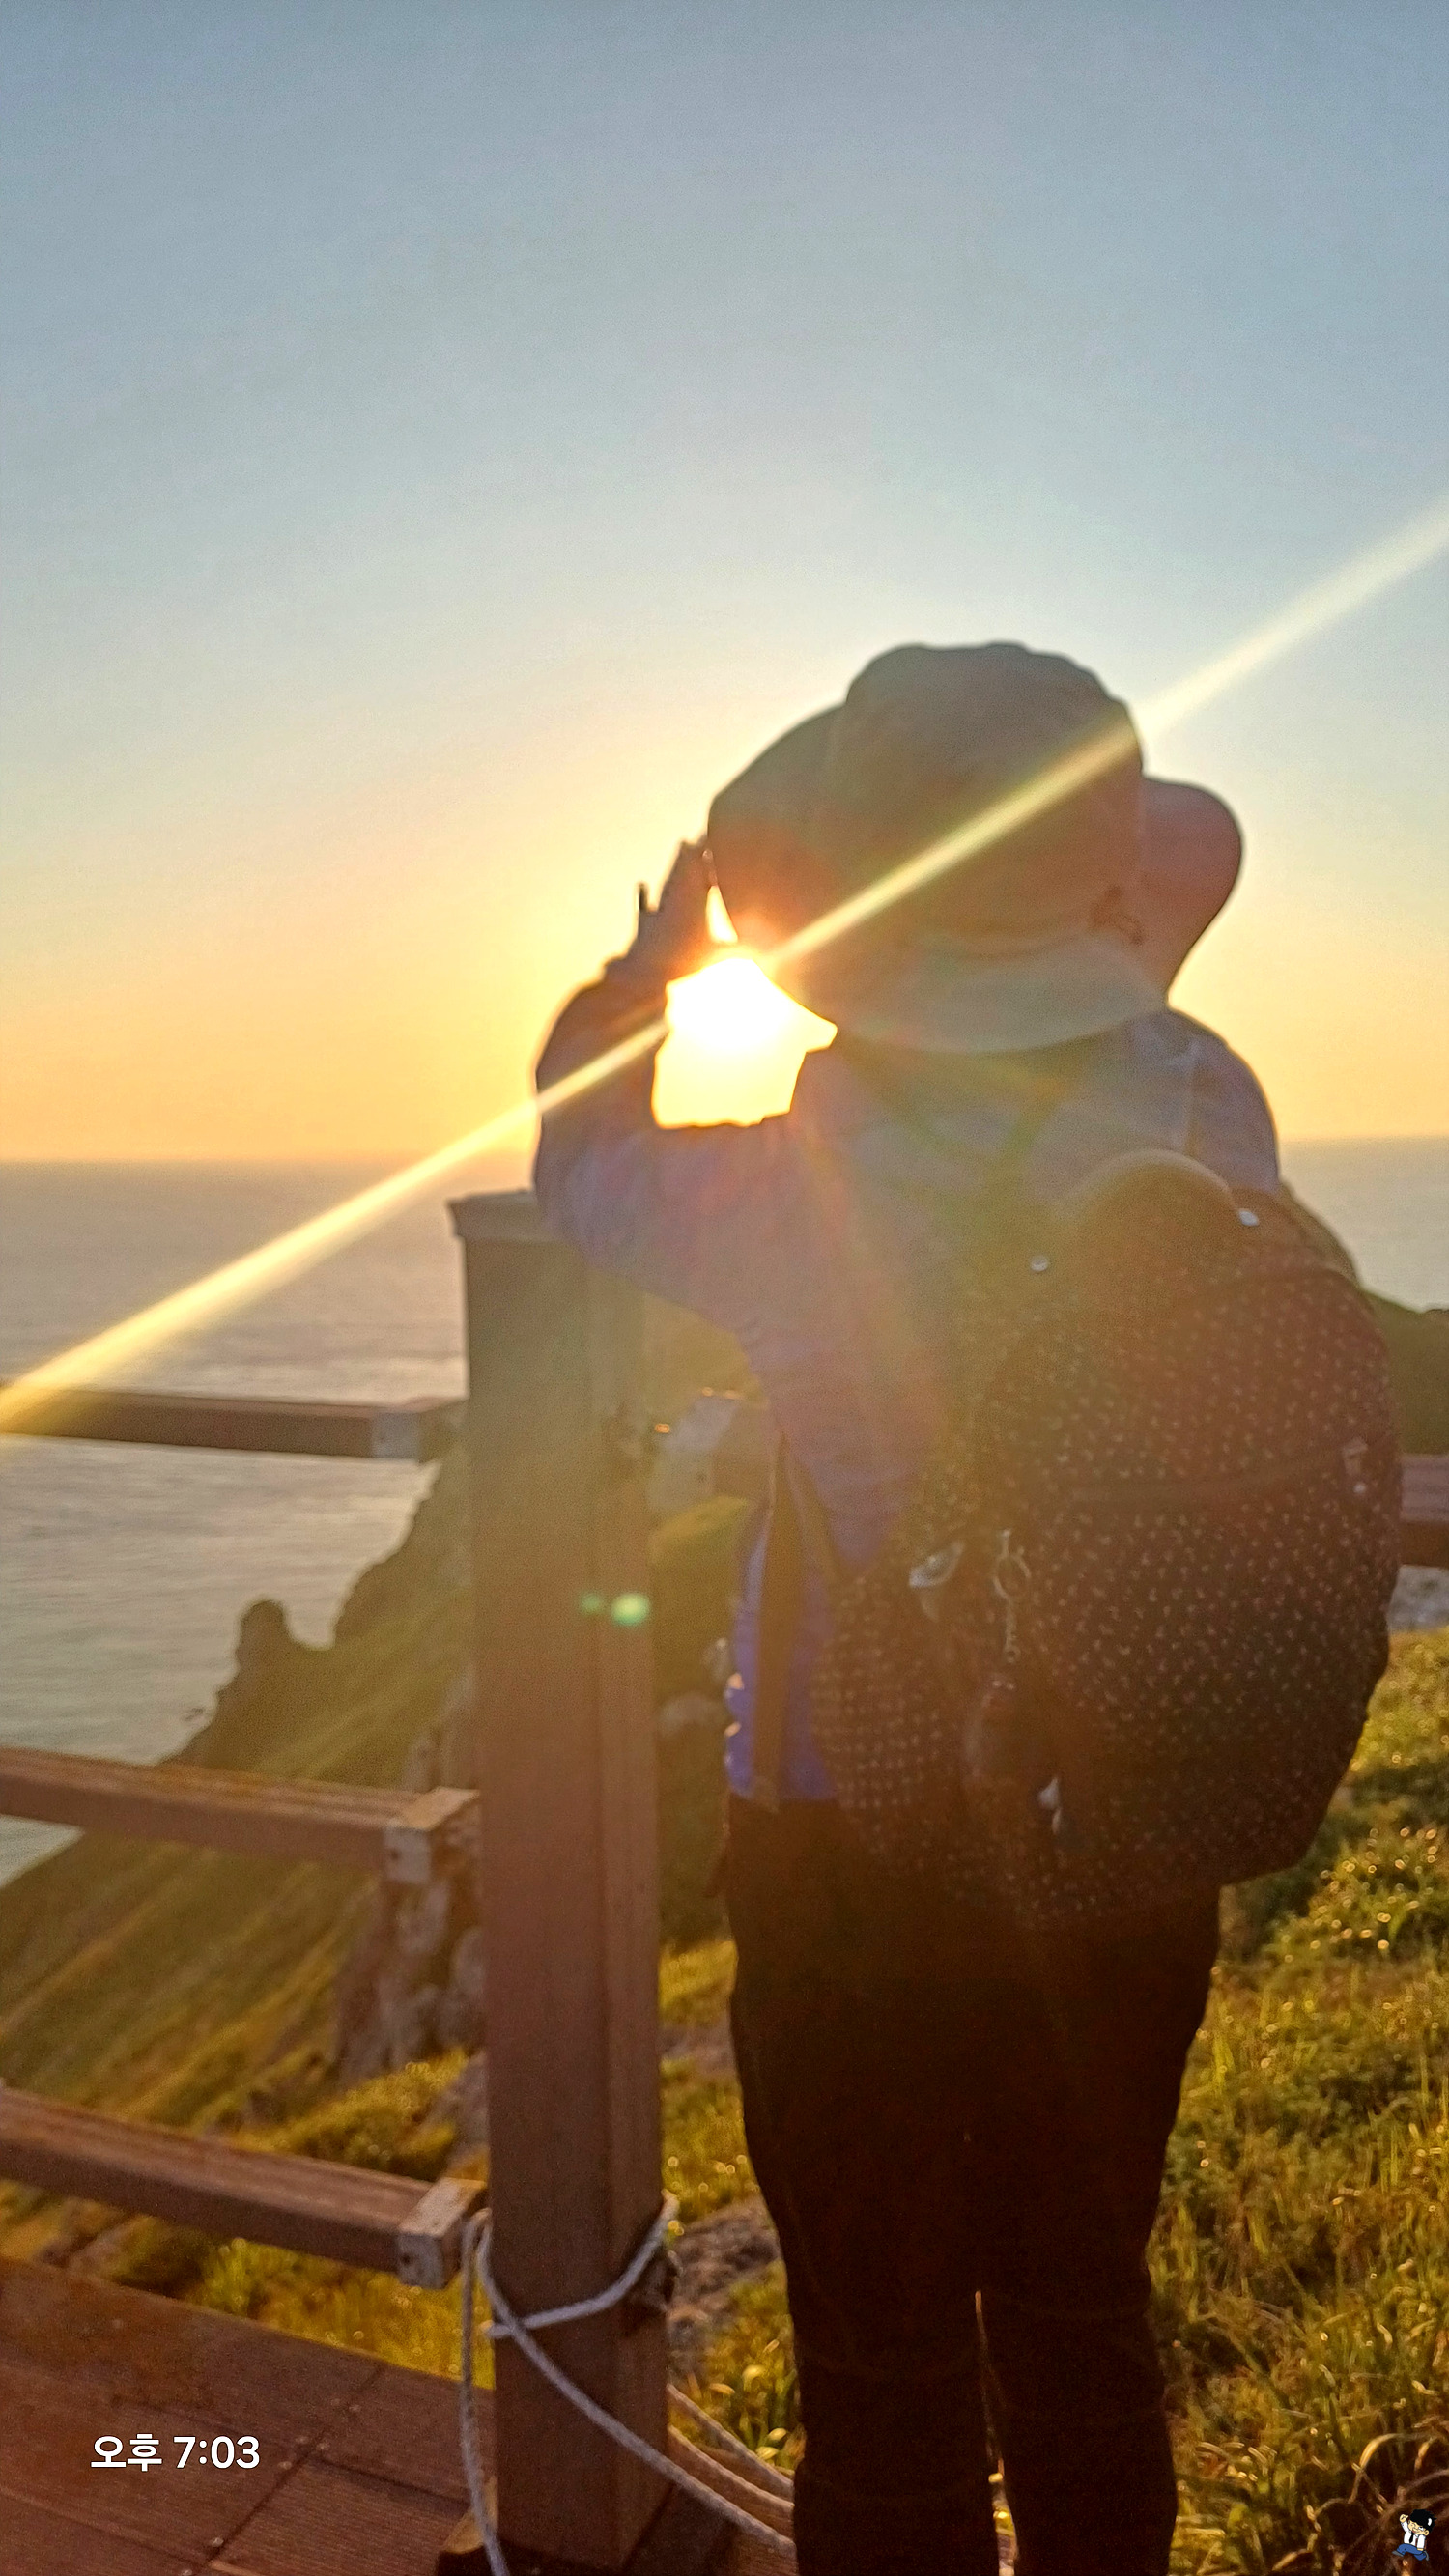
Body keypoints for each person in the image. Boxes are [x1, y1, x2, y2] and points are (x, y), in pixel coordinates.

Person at [533, 642, 1280, 2576]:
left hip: (847, 1832)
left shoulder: (803, 1187)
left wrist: (648, 973)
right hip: (1124, 1800)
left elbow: (582, 1159)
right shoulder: (1208, 1111)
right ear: (1109, 889)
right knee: (1080, 2304)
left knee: (878, 2348)